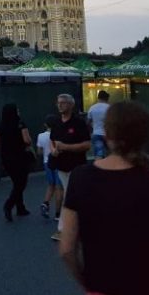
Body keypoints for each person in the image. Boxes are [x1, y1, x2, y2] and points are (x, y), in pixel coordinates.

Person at [59, 101, 149, 295]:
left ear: (107, 133)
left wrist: (90, 286)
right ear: (145, 136)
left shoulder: (80, 178)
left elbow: (67, 249)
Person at [49, 93, 90, 241]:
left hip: (76, 167)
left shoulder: (79, 123)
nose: (60, 105)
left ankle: (64, 229)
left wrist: (66, 147)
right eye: (58, 102)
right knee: (73, 196)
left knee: (69, 196)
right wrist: (53, 150)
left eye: (63, 102)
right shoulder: (56, 123)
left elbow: (87, 145)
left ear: (71, 105)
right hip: (61, 166)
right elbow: (52, 140)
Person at [0, 103, 33, 221]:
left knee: (16, 182)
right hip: (21, 156)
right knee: (21, 183)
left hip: (6, 158)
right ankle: (9, 205)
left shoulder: (0, 126)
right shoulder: (20, 124)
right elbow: (27, 140)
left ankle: (20, 207)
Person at [37, 114, 63, 220]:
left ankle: (46, 203)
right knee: (59, 188)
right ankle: (58, 214)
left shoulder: (41, 136)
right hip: (58, 162)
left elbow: (39, 152)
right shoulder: (59, 134)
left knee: (50, 185)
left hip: (46, 162)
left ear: (45, 124)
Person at [87, 90, 110, 160]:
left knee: (98, 154)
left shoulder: (92, 108)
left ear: (98, 97)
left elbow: (88, 122)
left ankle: (98, 169)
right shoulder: (110, 108)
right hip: (108, 135)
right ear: (107, 98)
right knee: (110, 154)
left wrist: (90, 131)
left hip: (96, 134)